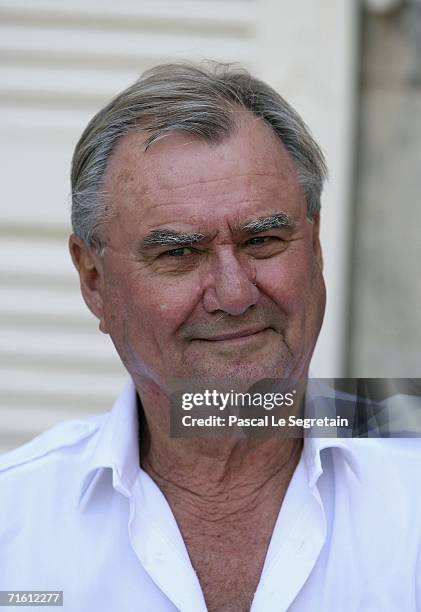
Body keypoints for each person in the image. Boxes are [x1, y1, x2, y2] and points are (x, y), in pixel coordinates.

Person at [0, 62, 420, 612]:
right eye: (178, 252)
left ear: (315, 248)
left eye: (263, 240)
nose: (234, 293)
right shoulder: (15, 519)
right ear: (94, 281)